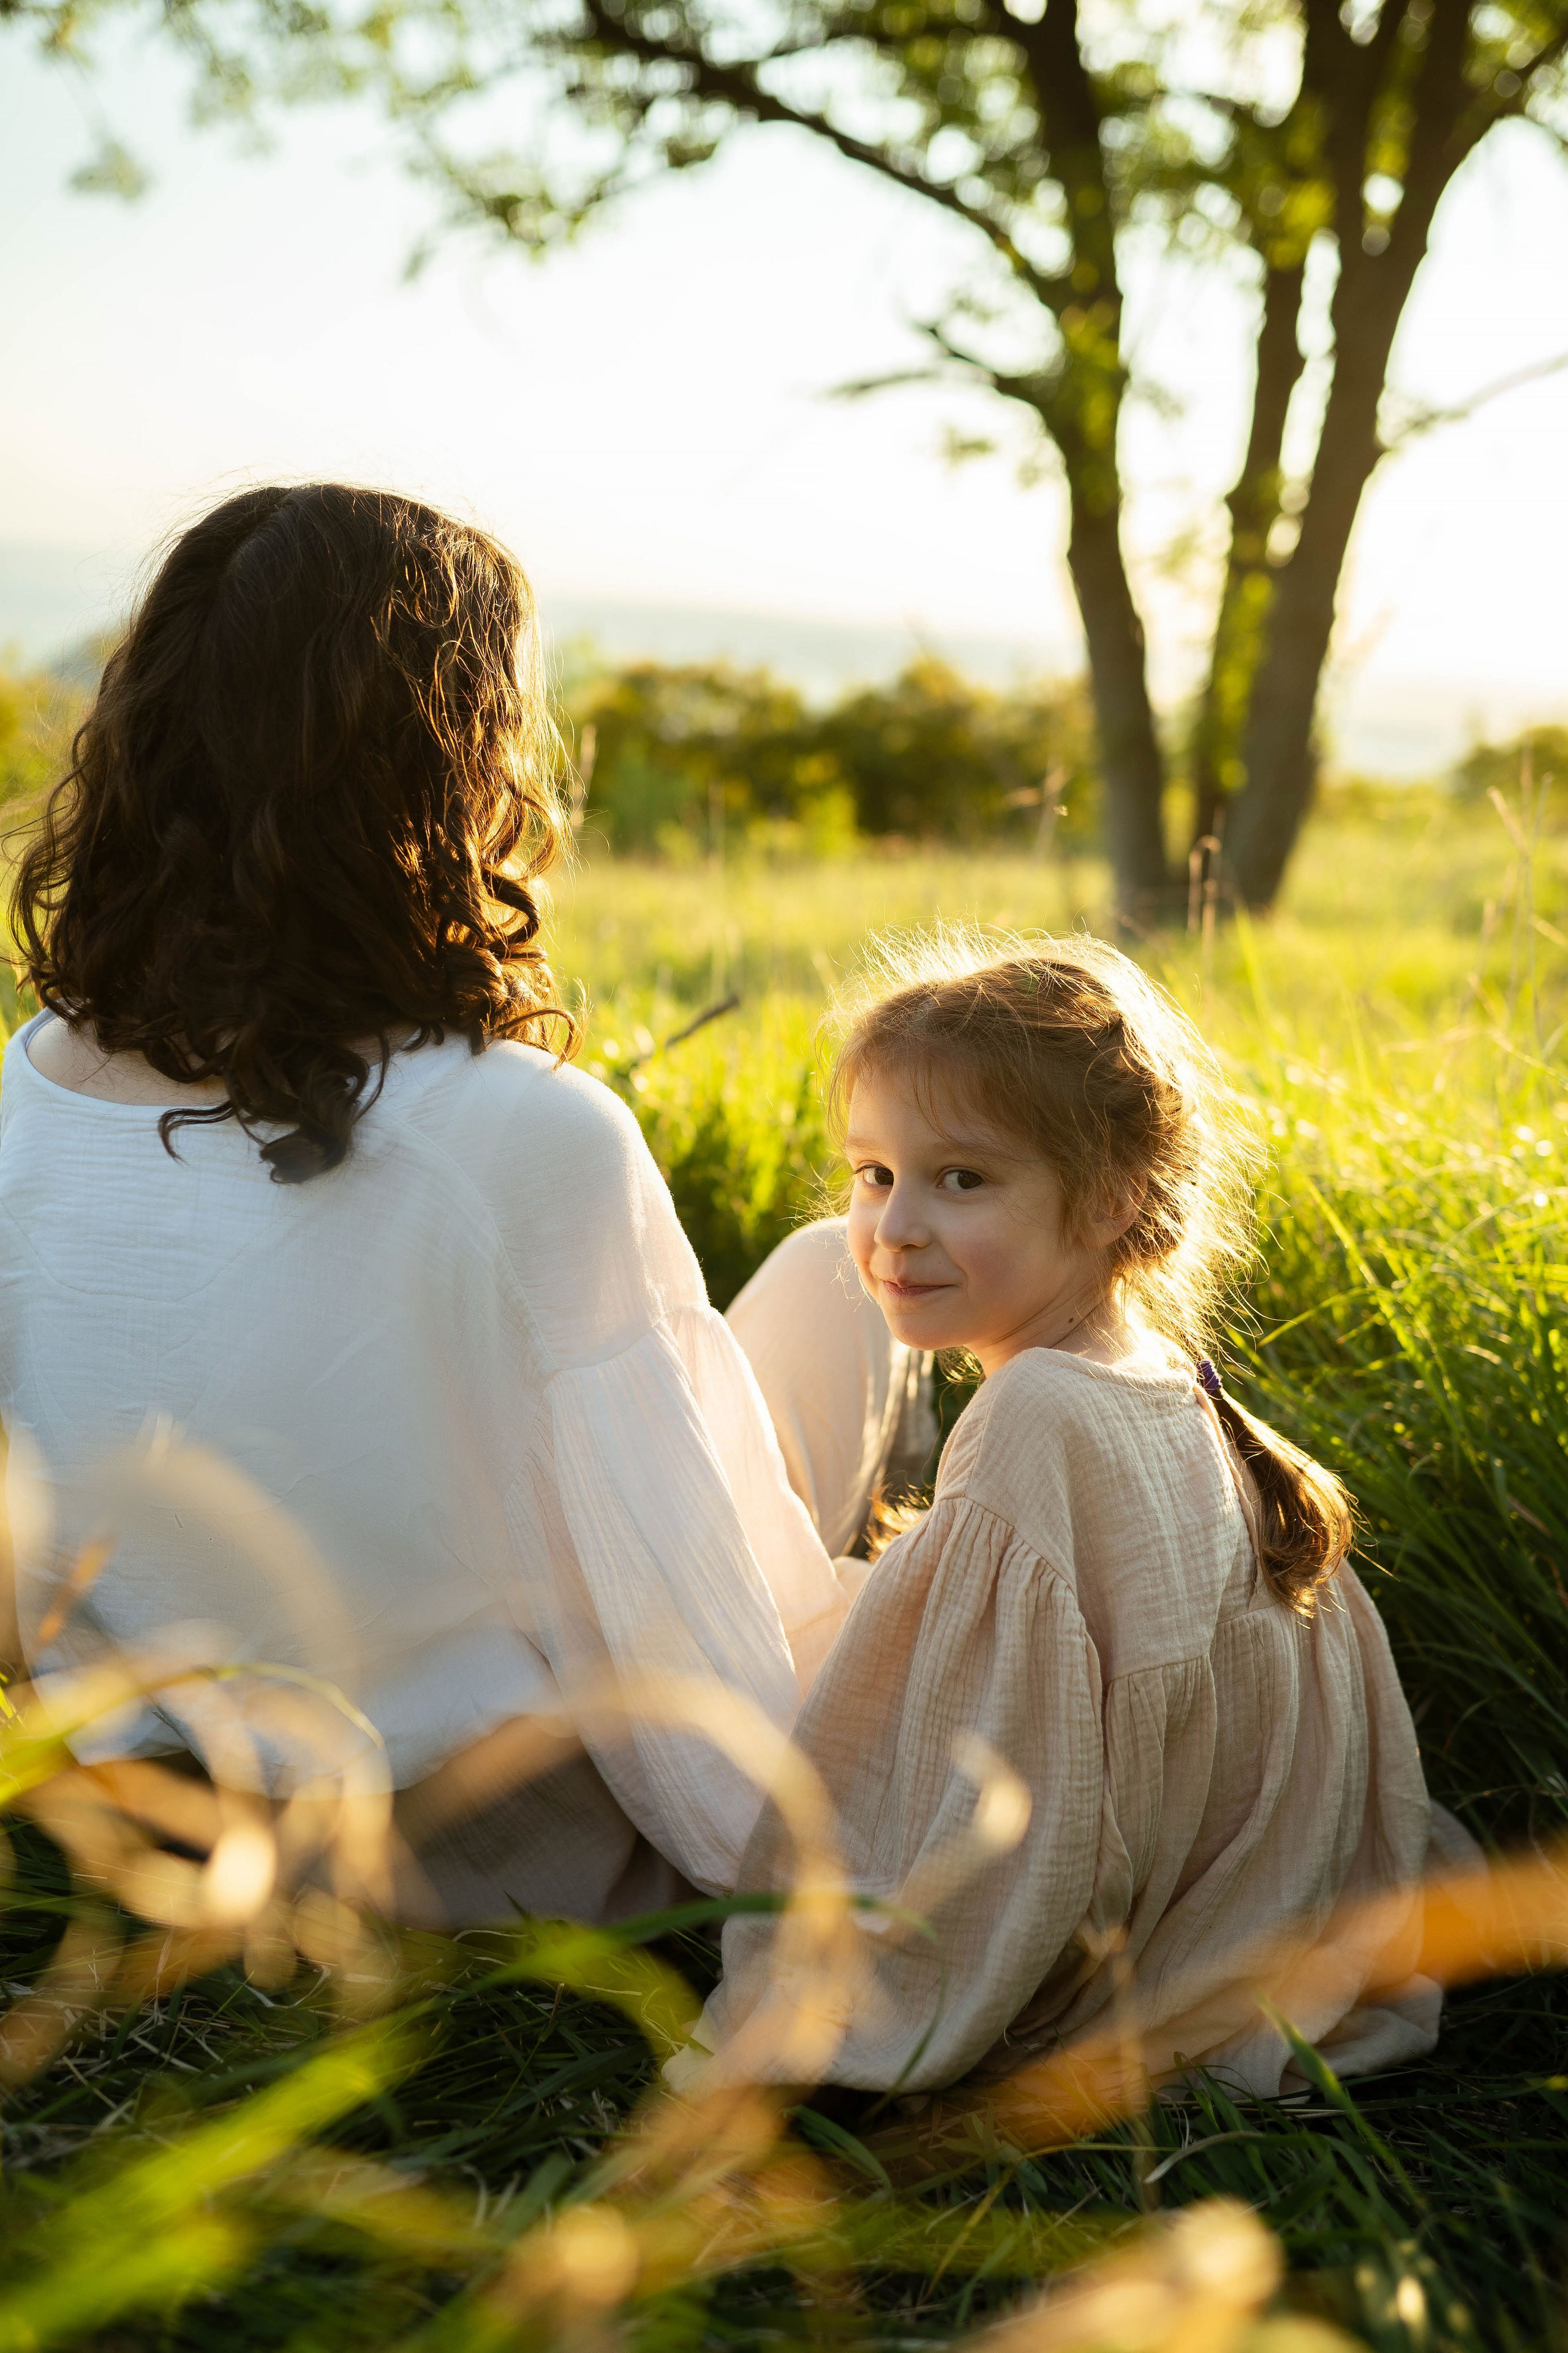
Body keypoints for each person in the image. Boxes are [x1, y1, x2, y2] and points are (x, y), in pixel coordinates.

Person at [0, 482, 910, 1926]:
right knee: (839, 1275)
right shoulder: (519, 1133)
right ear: (449, 765)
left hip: (151, 1825)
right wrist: (795, 1842)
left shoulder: (23, 1094)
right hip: (477, 1851)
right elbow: (675, 1603)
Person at [684, 934, 1460, 2098]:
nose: (894, 1229)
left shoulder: (1038, 1413)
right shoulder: (1160, 1371)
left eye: (963, 1180)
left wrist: (810, 2010)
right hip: (1206, 1887)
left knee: (694, 1598)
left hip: (1104, 1942)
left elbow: (1011, 1801)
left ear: (1111, 1201)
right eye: (873, 1173)